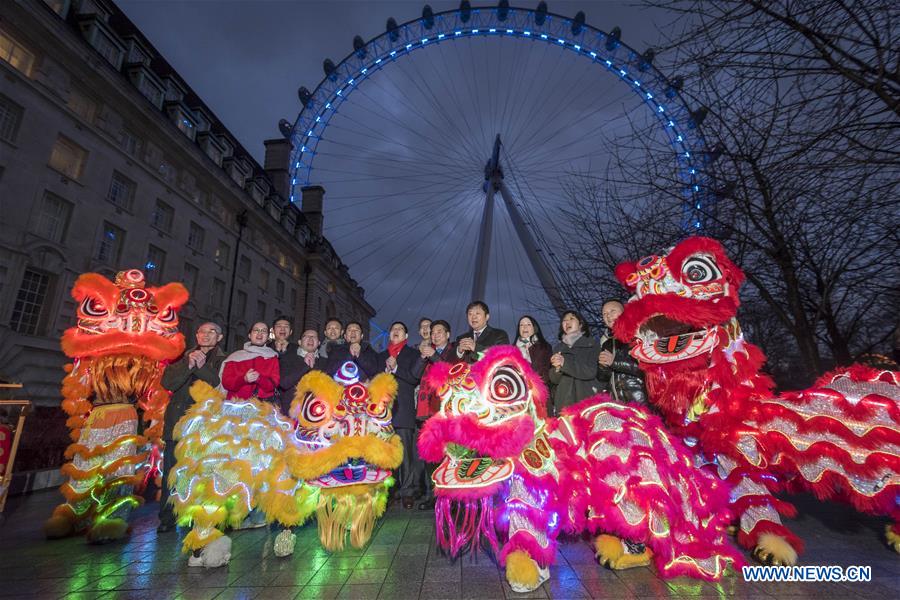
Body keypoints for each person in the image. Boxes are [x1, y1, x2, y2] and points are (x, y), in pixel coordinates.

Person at [158, 322, 226, 533]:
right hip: (178, 422)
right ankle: (168, 517)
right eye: (202, 331)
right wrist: (188, 364)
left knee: (202, 470)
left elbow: (216, 382)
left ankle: (196, 513)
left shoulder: (223, 360)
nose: (206, 335)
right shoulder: (182, 357)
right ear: (196, 335)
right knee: (172, 470)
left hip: (205, 424)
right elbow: (168, 383)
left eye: (211, 332)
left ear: (220, 337)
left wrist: (200, 365)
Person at [379, 322, 425, 509]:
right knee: (385, 454)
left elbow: (414, 378)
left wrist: (396, 368)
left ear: (406, 335)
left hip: (403, 410)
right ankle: (390, 491)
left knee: (405, 454)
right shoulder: (381, 355)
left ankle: (407, 491)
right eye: (393, 329)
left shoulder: (412, 354)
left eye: (400, 329)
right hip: (382, 414)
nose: (395, 331)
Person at [415, 319, 456, 510]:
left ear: (448, 335)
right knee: (431, 454)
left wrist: (434, 357)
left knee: (450, 453)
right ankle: (434, 493)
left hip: (448, 410)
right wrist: (424, 357)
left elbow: (453, 372)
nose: (435, 335)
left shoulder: (455, 351)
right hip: (427, 411)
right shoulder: (425, 351)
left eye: (440, 331)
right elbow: (413, 374)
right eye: (433, 332)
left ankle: (451, 493)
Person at [549, 310, 601, 414]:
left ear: (581, 324)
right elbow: (554, 379)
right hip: (564, 402)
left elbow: (591, 371)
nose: (567, 322)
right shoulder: (558, 348)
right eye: (564, 321)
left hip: (586, 400)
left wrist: (564, 363)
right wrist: (557, 368)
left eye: (571, 319)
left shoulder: (591, 344)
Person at [597, 300, 647, 404]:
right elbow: (602, 378)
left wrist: (614, 362)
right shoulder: (607, 343)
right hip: (618, 404)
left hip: (641, 400)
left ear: (624, 312)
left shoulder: (639, 334)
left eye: (612, 311)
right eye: (604, 314)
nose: (608, 316)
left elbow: (646, 368)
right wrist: (603, 367)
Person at [220, 322, 280, 401]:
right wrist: (243, 379)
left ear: (268, 337)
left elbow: (274, 384)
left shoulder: (272, 357)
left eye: (264, 331)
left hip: (262, 408)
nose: (260, 333)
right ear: (249, 335)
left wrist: (259, 379)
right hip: (236, 406)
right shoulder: (235, 357)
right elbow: (226, 383)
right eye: (256, 330)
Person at [278, 329, 327, 414]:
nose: (310, 339)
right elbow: (284, 383)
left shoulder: (325, 362)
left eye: (314, 337)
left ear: (319, 343)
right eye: (306, 336)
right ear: (300, 342)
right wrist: (305, 366)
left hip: (317, 413)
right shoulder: (288, 358)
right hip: (291, 413)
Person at [513, 315, 553, 400]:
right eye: (521, 325)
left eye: (528, 324)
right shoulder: (512, 349)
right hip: (517, 393)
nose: (524, 327)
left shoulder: (544, 347)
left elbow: (545, 371)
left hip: (538, 393)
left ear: (534, 328)